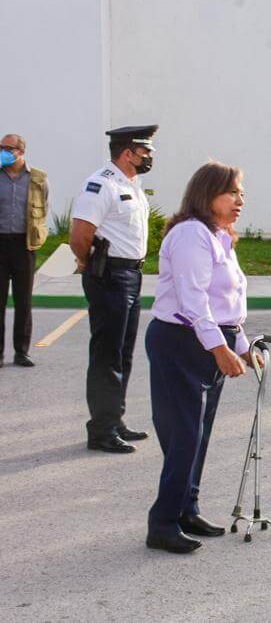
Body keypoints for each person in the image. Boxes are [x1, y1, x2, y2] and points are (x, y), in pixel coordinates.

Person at [145, 161, 258, 554]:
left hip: (207, 341)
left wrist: (241, 344)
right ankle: (162, 522)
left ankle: (186, 508)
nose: (240, 200)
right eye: (232, 192)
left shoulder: (219, 235)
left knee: (200, 433)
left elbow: (223, 302)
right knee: (185, 435)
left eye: (241, 192)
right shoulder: (192, 234)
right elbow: (193, 301)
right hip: (181, 342)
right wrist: (220, 348)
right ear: (206, 194)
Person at [70, 124, 157, 454]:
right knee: (107, 355)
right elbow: (80, 237)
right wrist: (91, 264)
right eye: (145, 151)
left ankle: (114, 419)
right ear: (127, 152)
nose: (149, 157)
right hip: (109, 276)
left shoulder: (131, 184)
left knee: (123, 352)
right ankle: (101, 429)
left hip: (131, 275)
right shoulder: (101, 185)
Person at [0, 133, 48, 367]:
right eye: (1, 147)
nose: (3, 151)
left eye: (8, 148)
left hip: (23, 245)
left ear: (21, 151)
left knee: (23, 301)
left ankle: (21, 351)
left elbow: (43, 208)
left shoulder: (36, 179)